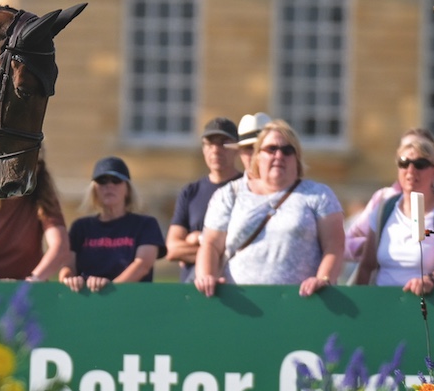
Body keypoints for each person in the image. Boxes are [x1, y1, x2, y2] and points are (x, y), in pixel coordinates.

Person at [194, 120, 344, 297]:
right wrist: (206, 277)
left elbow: (334, 246)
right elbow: (211, 244)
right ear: (257, 156)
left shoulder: (319, 195)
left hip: (301, 303)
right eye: (271, 149)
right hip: (239, 302)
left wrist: (323, 279)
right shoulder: (230, 194)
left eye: (287, 150)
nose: (279, 155)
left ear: (297, 158)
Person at [346, 129, 434, 294]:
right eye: (404, 163)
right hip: (382, 305)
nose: (411, 170)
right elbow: (367, 266)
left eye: (420, 164)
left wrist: (430, 280)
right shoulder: (384, 207)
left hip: (425, 306)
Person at [62, 156, 163, 292]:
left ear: (127, 189)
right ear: (94, 189)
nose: (109, 186)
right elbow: (67, 267)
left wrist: (109, 291)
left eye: (116, 180)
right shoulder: (81, 227)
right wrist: (70, 280)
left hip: (131, 301)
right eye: (102, 181)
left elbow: (142, 266)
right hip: (87, 300)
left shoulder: (146, 225)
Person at [166, 117, 244, 284]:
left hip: (235, 287)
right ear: (203, 149)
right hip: (193, 287)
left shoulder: (248, 189)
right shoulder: (191, 192)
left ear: (238, 149)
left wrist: (195, 240)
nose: (216, 150)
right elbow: (172, 249)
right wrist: (210, 248)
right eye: (210, 143)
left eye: (224, 143)